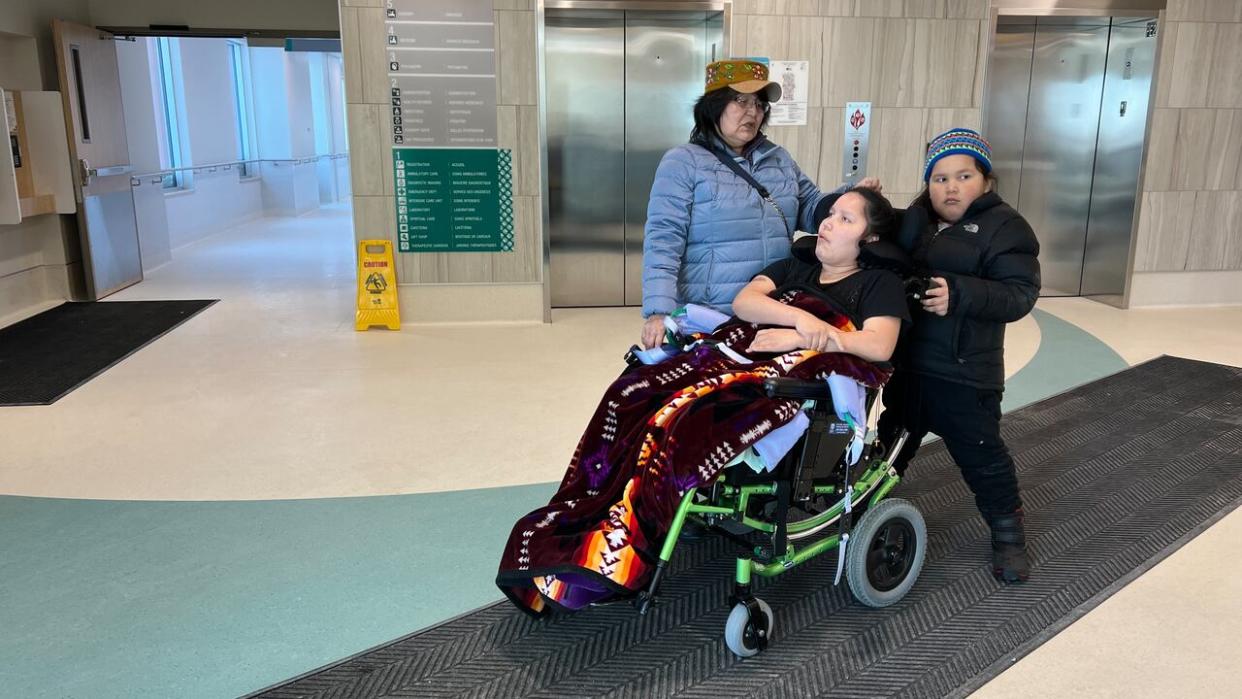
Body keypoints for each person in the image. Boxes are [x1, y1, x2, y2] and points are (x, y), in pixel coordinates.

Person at [497, 188, 907, 616]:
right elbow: (745, 302)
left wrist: (809, 337)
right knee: (629, 395)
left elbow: (879, 346)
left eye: (846, 219)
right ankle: (580, 527)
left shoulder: (877, 284)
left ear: (870, 239)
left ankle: (618, 554)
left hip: (781, 378)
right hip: (731, 353)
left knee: (681, 420)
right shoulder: (796, 264)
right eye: (830, 214)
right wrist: (801, 318)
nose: (826, 223)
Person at [878, 128, 1041, 584]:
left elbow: (1020, 293)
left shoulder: (1007, 227)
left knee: (983, 456)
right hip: (909, 367)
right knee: (891, 443)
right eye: (939, 178)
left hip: (966, 374)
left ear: (986, 181)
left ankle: (1008, 534)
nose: (950, 187)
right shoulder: (914, 220)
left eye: (963, 175)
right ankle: (867, 508)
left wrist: (962, 293)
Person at [640, 58, 879, 350]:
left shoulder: (778, 159)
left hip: (771, 311)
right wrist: (658, 310)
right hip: (711, 317)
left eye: (759, 104)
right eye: (740, 101)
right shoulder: (682, 162)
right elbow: (664, 239)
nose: (752, 112)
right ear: (714, 105)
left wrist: (850, 198)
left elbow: (811, 207)